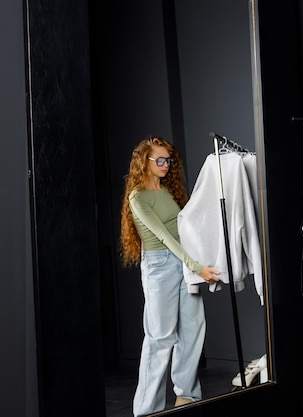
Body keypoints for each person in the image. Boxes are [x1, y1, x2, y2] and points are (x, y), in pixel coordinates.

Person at [119, 135, 221, 417]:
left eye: (168, 160)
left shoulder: (166, 190)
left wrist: (198, 259)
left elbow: (184, 228)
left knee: (192, 330)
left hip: (183, 262)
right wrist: (197, 266)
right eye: (159, 160)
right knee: (160, 338)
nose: (165, 164)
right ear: (145, 162)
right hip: (160, 266)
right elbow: (164, 237)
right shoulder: (137, 197)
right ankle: (146, 410)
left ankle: (186, 396)